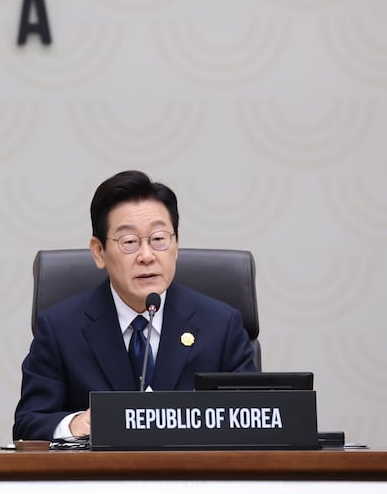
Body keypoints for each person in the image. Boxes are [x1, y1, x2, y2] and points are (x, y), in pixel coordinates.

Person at [13, 170, 257, 442]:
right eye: (129, 242)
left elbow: (255, 418)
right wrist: (76, 424)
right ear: (98, 252)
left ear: (176, 245)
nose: (146, 256)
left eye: (159, 239)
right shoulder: (60, 329)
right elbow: (28, 424)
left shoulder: (221, 326)